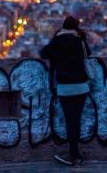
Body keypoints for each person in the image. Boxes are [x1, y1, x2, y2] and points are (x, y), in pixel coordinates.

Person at [40, 16, 91, 166]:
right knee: (77, 120)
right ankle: (77, 154)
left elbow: (43, 54)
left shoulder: (57, 41)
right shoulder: (80, 40)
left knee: (70, 121)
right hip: (81, 87)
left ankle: (73, 154)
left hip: (64, 88)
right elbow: (88, 54)